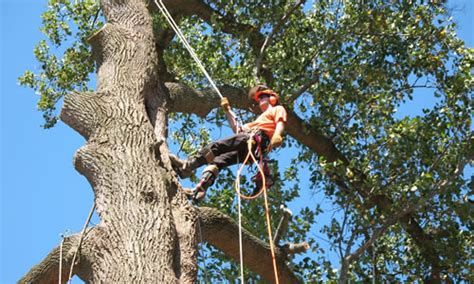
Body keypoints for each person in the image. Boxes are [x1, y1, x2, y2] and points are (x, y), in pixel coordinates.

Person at [170, 85, 287, 201]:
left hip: (255, 140)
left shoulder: (277, 109)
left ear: (272, 98)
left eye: (262, 97)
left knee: (216, 147)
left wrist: (277, 135)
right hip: (251, 147)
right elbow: (237, 130)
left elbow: (280, 123)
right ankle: (200, 189)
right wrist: (227, 110)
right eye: (259, 98)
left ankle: (187, 166)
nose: (259, 100)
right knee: (218, 161)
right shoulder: (258, 120)